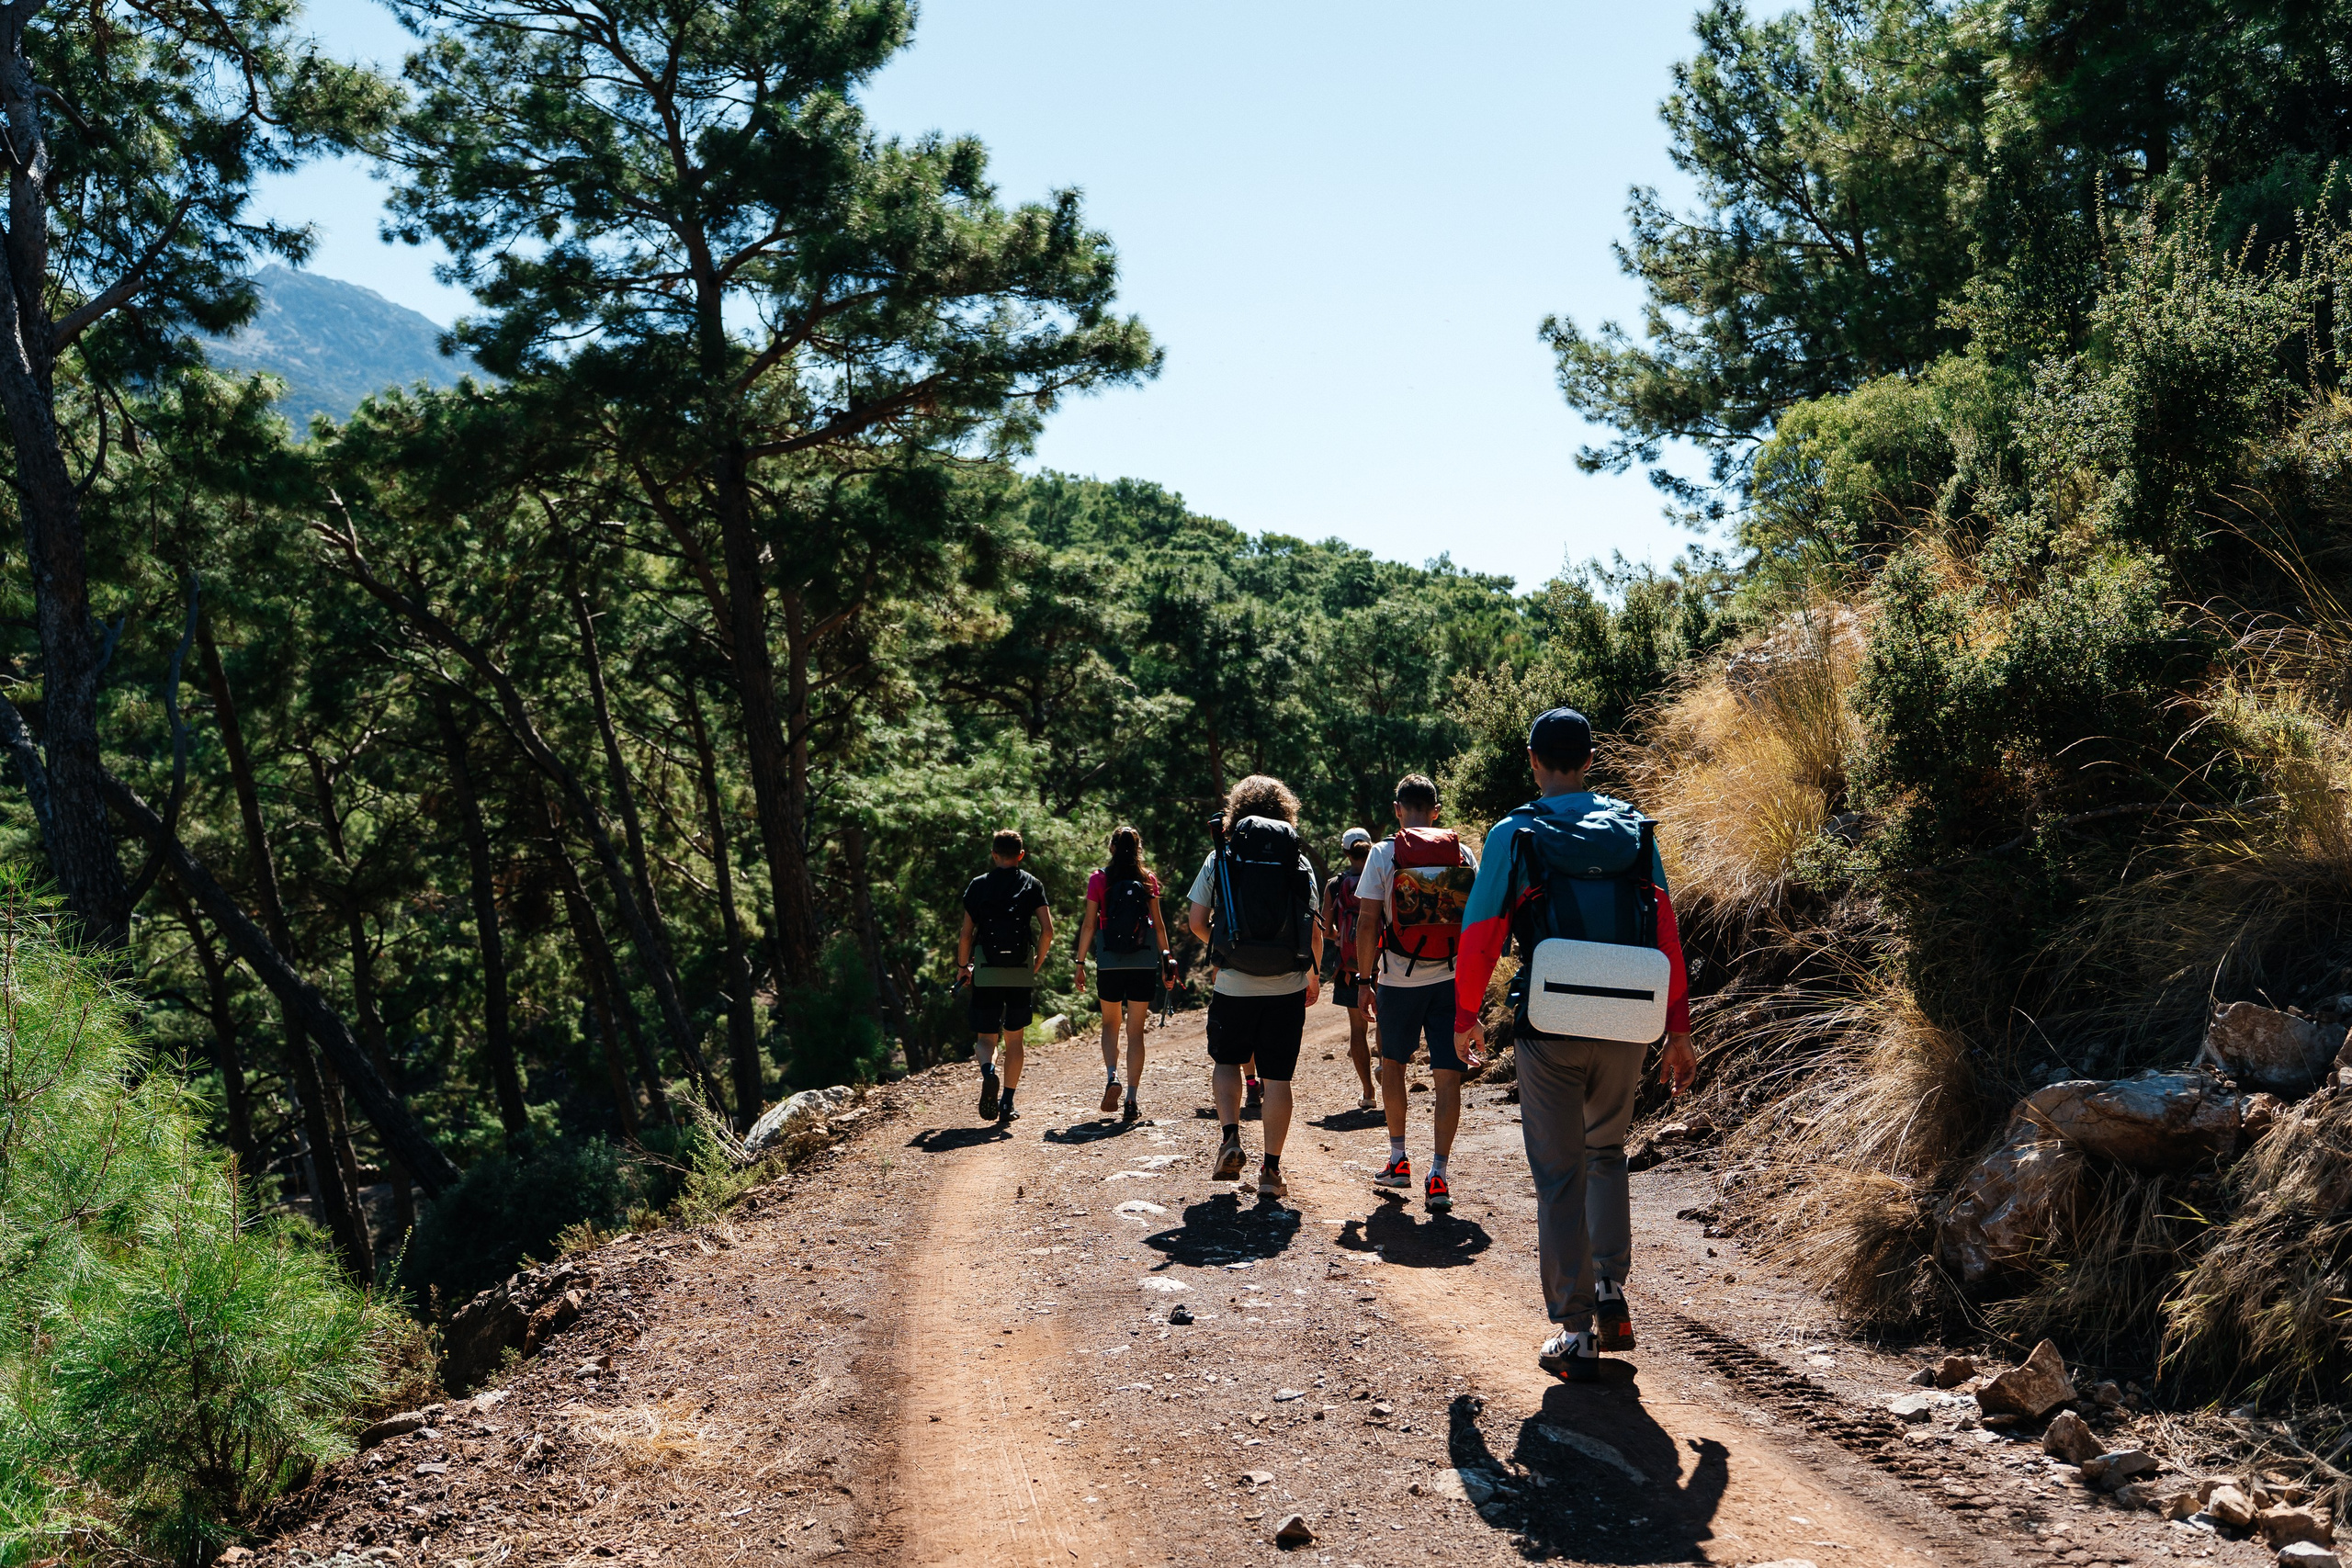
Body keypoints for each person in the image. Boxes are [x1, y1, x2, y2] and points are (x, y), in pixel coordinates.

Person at [1451, 708, 1696, 1382]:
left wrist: (1464, 1015)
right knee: (1606, 1152)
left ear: (1534, 759)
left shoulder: (1515, 831)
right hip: (1628, 1018)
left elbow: (1482, 933)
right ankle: (1612, 1287)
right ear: (1591, 759)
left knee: (1559, 1175)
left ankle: (1575, 1331)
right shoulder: (1634, 829)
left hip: (1552, 1022)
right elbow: (1666, 931)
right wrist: (1677, 1029)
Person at [1186, 774, 1321, 1198]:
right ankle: (1271, 1171)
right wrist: (1312, 974)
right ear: (1286, 810)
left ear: (1237, 808)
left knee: (1227, 1061)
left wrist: (1227, 948)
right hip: (1286, 984)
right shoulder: (1296, 856)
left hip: (1234, 983)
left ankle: (1230, 1139)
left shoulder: (1222, 855)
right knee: (1278, 1078)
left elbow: (1195, 922)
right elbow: (1313, 926)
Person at [1355, 773, 1478, 1213]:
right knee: (1448, 1076)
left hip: (1398, 981)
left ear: (1397, 809)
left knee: (1393, 1066)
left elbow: (1368, 921)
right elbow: (1475, 925)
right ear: (1436, 811)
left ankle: (1397, 1159)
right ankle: (1440, 1175)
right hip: (1450, 980)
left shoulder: (1383, 853)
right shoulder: (1461, 853)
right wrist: (1473, 993)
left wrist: (1364, 980)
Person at [1073, 825, 1173, 1122]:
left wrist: (1080, 964)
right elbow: (1159, 925)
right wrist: (1167, 960)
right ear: (1138, 849)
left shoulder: (1099, 879)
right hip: (1143, 961)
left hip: (1110, 962)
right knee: (1136, 1032)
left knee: (1109, 1024)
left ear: (1112, 848)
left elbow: (1090, 925)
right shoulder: (1147, 880)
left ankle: (1112, 1076)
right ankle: (1131, 1097)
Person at [956, 827, 1055, 1124]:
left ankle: (988, 1072)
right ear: (1021, 855)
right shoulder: (1032, 884)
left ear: (994, 854)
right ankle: (1007, 1103)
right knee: (1015, 1040)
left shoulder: (978, 885)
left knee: (986, 1037)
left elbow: (965, 933)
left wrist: (963, 967)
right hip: (1019, 971)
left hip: (986, 969)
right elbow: (1047, 931)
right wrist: (1035, 963)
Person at [1323, 828, 1378, 1111]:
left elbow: (1325, 928)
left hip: (1350, 968)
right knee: (1386, 1021)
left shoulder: (1335, 884)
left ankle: (1368, 1092)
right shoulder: (1382, 875)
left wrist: (1342, 937)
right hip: (1382, 963)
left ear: (1346, 853)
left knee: (1358, 1030)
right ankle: (1387, 1071)